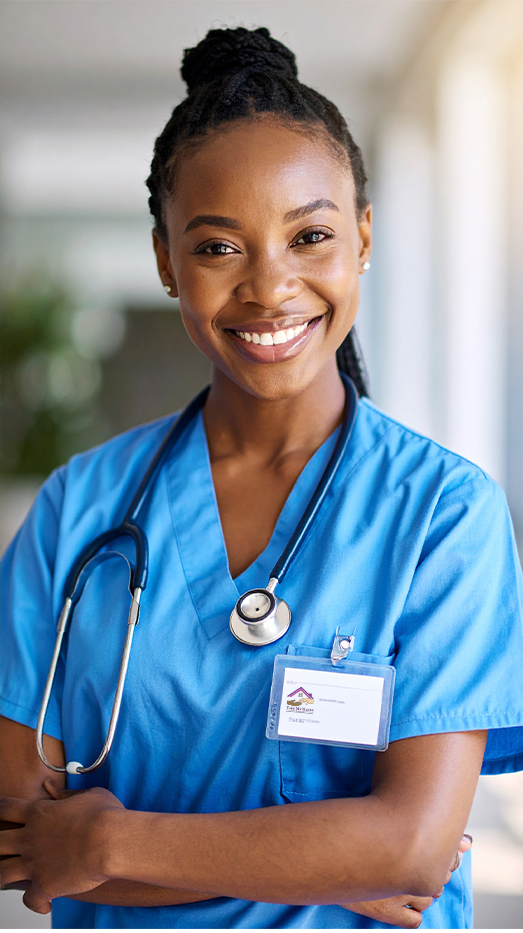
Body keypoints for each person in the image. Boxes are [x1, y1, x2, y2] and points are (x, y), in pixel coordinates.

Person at [1, 26, 522, 931]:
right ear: (166, 261)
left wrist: (110, 844)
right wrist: (321, 861)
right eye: (216, 248)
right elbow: (20, 839)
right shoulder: (78, 509)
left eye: (309, 235)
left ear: (361, 238)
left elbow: (409, 848)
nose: (269, 287)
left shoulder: (443, 511)